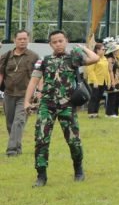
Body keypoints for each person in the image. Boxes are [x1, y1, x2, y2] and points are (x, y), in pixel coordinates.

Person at [23, 30, 101, 186]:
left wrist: (82, 47)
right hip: (47, 105)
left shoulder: (74, 58)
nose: (58, 44)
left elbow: (95, 58)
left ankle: (78, 169)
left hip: (67, 105)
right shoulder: (43, 61)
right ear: (50, 44)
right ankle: (41, 176)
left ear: (66, 41)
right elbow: (33, 81)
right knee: (41, 140)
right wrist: (26, 101)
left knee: (73, 140)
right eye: (54, 42)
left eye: (61, 41)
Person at [1, 29, 41, 156]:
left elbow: (40, 75)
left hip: (25, 95)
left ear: (28, 40)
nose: (23, 41)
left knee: (19, 121)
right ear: (14, 40)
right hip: (8, 94)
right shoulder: (6, 56)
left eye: (25, 39)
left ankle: (11, 150)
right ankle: (17, 146)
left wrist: (39, 91)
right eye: (20, 39)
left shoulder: (34, 57)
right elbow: (1, 74)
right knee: (10, 123)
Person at [83, 41, 109, 119]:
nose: (104, 51)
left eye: (104, 49)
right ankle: (91, 113)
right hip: (95, 81)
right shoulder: (94, 58)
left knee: (99, 97)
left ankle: (95, 113)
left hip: (102, 81)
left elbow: (107, 70)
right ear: (97, 50)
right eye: (102, 49)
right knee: (93, 97)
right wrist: (95, 81)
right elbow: (90, 70)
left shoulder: (104, 58)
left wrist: (108, 81)